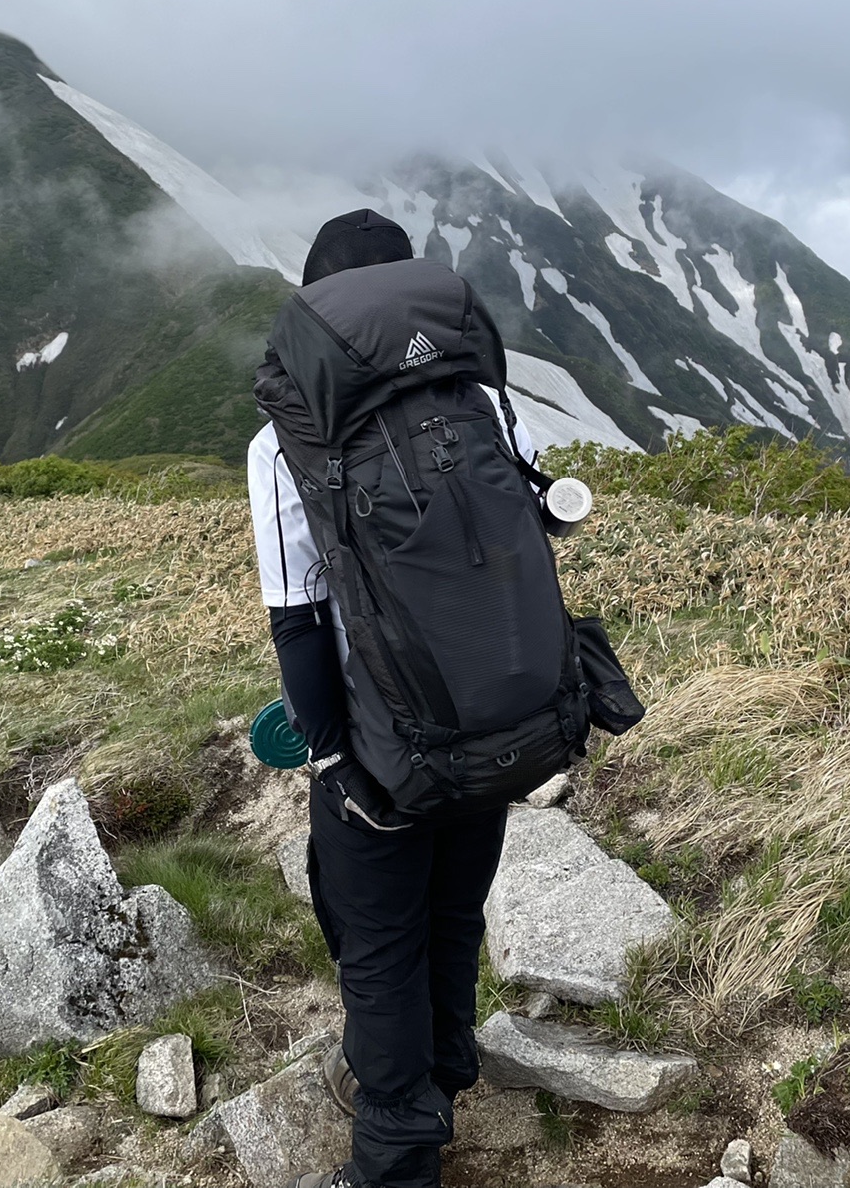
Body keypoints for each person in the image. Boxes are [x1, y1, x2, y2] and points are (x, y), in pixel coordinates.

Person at [246, 209, 537, 1188]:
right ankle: (445, 1074)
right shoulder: (492, 404)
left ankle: (395, 1161)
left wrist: (332, 753)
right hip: (499, 718)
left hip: (380, 747)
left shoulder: (283, 439)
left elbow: (297, 621)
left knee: (375, 946)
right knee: (453, 913)